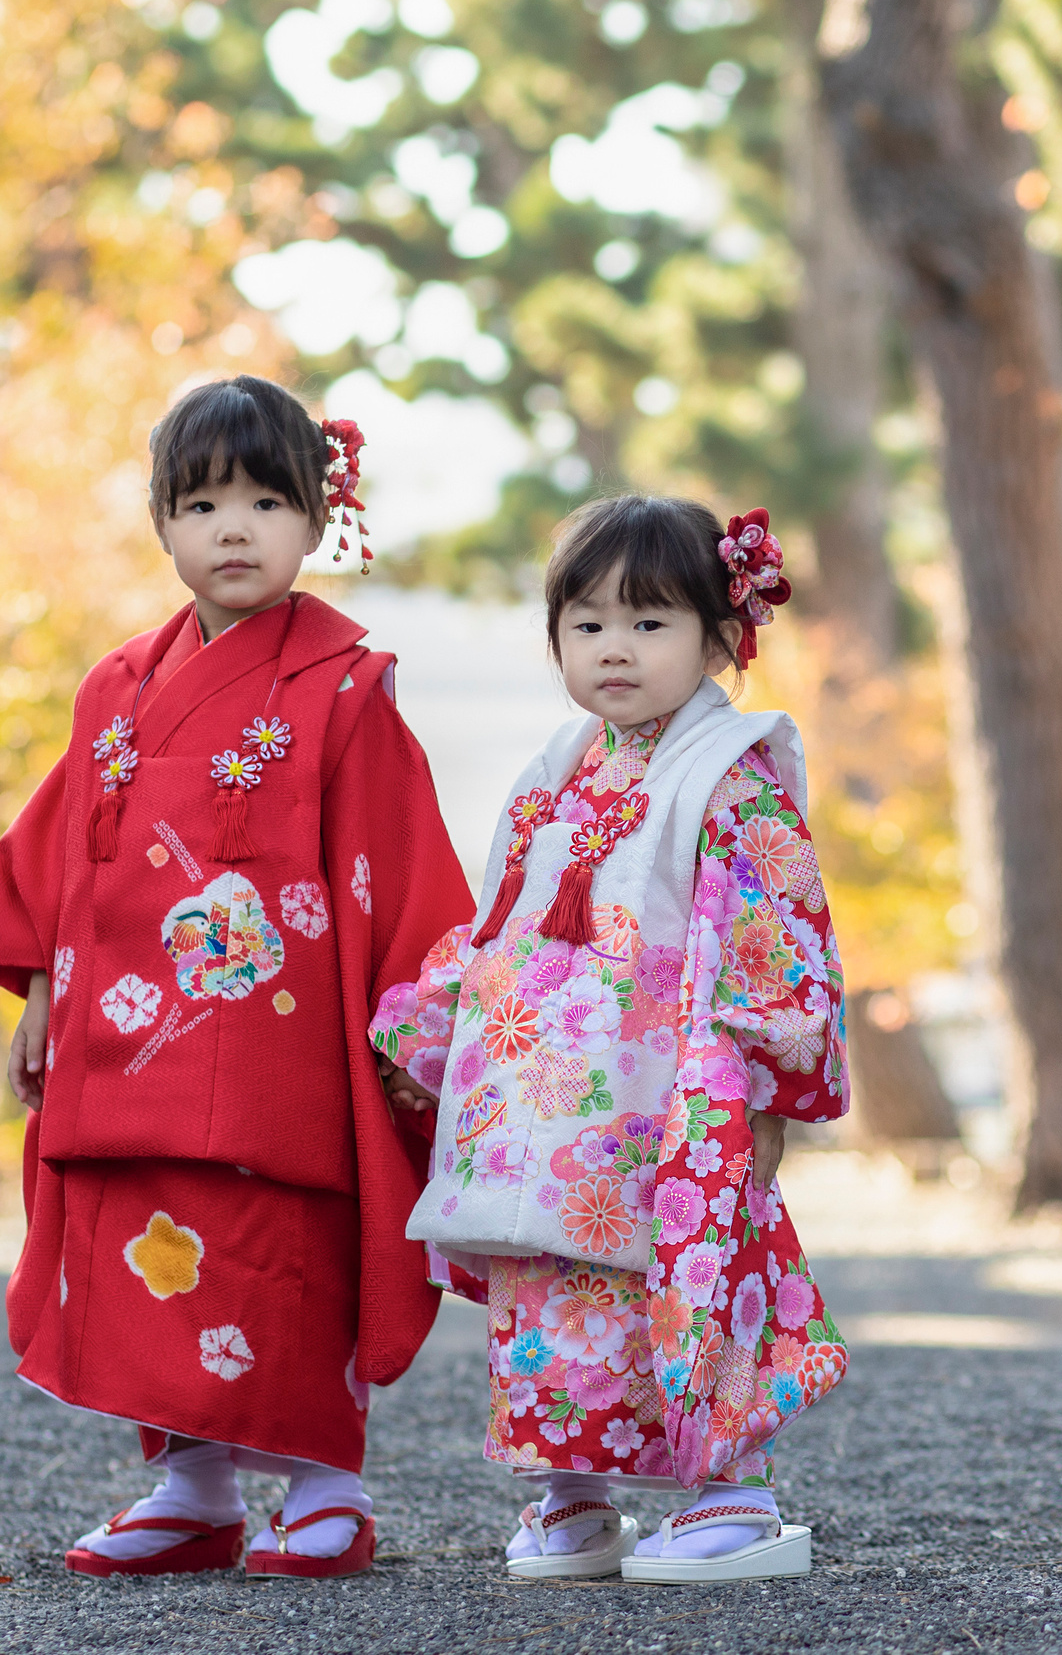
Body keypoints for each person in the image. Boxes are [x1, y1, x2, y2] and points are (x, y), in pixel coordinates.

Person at [0, 375, 472, 1579]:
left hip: (281, 1051)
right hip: (129, 1034)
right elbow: (57, 853)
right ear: (163, 524)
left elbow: (398, 863)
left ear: (316, 517)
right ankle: (190, 1485)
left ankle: (324, 1483)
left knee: (280, 1247)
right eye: (199, 503)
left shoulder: (346, 688)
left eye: (262, 499)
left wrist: (418, 1021)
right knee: (150, 1251)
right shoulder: (115, 689)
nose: (231, 528)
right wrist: (40, 987)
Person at [371, 495, 851, 1585]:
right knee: (551, 1275)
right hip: (541, 1089)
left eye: (649, 621)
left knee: (684, 1267)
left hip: (672, 1081)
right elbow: (501, 914)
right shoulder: (557, 764)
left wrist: (765, 1085)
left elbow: (775, 929)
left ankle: (732, 1491)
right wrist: (436, 1027)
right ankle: (573, 1493)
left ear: (720, 634)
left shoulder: (732, 769)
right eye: (586, 624)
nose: (614, 648)